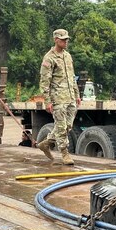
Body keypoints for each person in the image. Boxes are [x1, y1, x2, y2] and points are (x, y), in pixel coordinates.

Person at [36, 29, 81, 165]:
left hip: (70, 97)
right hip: (57, 98)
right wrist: (47, 101)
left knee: (68, 126)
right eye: (63, 39)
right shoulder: (49, 58)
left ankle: (47, 143)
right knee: (61, 126)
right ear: (56, 40)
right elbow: (44, 82)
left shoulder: (67, 56)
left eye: (67, 39)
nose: (66, 41)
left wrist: (77, 94)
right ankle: (64, 153)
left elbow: (72, 78)